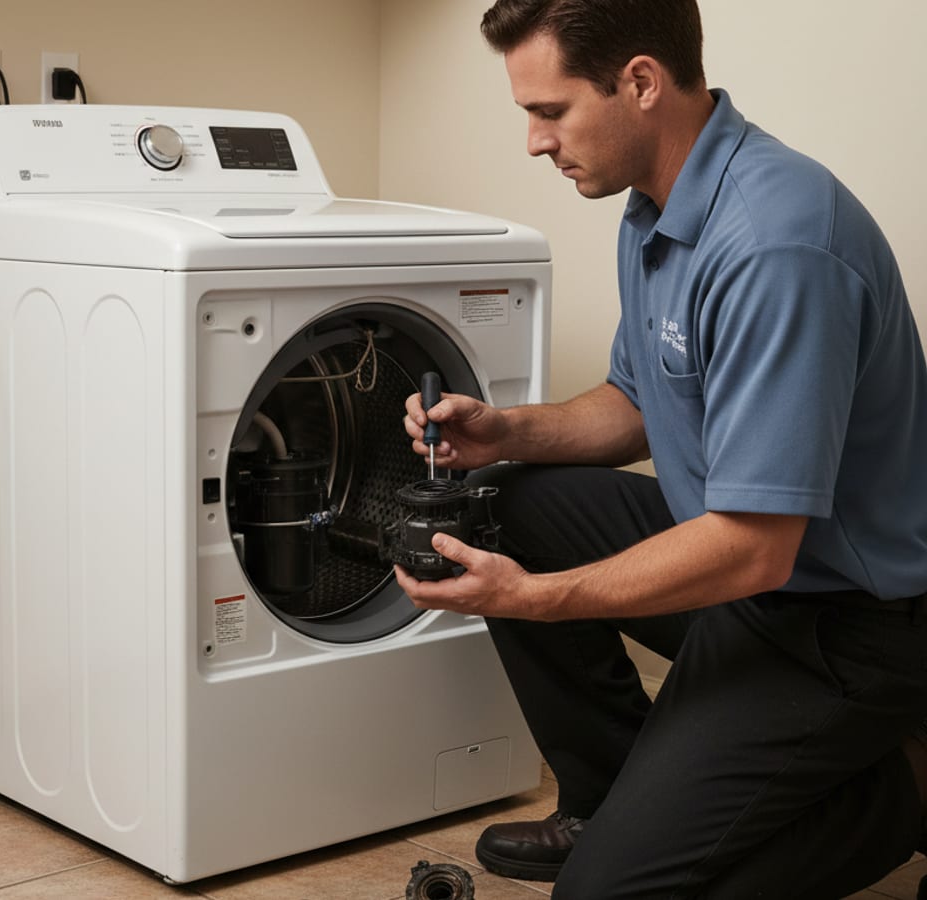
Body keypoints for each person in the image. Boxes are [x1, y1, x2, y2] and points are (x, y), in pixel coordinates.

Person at [396, 1, 927, 897]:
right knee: (515, 503)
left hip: (846, 625)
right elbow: (639, 401)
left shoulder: (774, 244)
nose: (533, 141)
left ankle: (908, 782)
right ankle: (605, 804)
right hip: (745, 573)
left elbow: (758, 545)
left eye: (551, 111)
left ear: (640, 82)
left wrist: (536, 599)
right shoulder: (653, 209)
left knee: (611, 896)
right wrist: (504, 433)